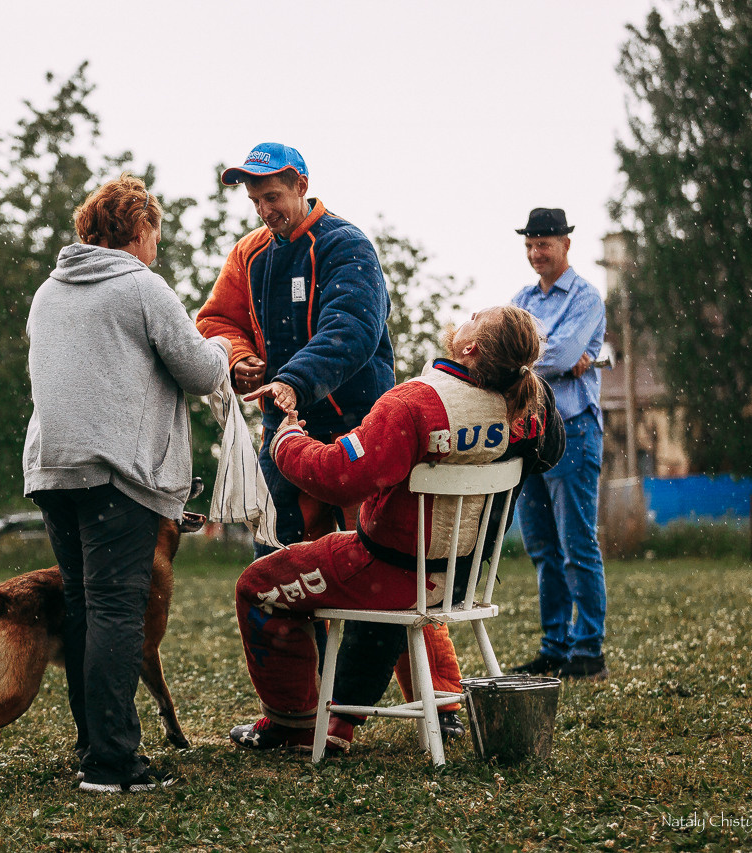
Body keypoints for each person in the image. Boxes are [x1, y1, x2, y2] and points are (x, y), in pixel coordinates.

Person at [195, 142, 463, 741]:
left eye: (273, 197)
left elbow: (354, 328)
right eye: (256, 200)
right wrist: (240, 359)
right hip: (288, 441)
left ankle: (441, 703)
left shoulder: (347, 245)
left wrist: (292, 378)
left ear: (302, 185)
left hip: (364, 437)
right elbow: (215, 321)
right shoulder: (250, 254)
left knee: (393, 567)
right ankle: (303, 716)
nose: (265, 210)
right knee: (297, 572)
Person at [226, 305, 550, 749]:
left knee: (257, 585)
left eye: (477, 316)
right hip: (457, 576)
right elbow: (547, 452)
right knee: (397, 578)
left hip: (394, 572)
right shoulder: (529, 408)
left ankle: (295, 722)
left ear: (470, 348)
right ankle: (417, 704)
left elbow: (339, 477)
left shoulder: (415, 403)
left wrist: (287, 442)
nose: (468, 313)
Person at [23, 173, 232, 793]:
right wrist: (221, 351)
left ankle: (94, 748)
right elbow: (197, 371)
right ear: (139, 230)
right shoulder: (140, 286)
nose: (156, 245)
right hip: (119, 472)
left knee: (86, 606)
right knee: (118, 610)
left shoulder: (48, 292)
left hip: (53, 471)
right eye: (155, 233)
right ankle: (114, 765)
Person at [508, 207, 609, 682]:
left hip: (573, 431)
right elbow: (508, 352)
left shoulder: (587, 297)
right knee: (543, 549)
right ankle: (555, 647)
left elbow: (561, 353)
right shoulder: (520, 298)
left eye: (544, 244)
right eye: (529, 244)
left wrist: (526, 357)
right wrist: (551, 358)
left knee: (576, 545)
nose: (536, 252)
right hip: (530, 435)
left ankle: (588, 650)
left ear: (566, 244)